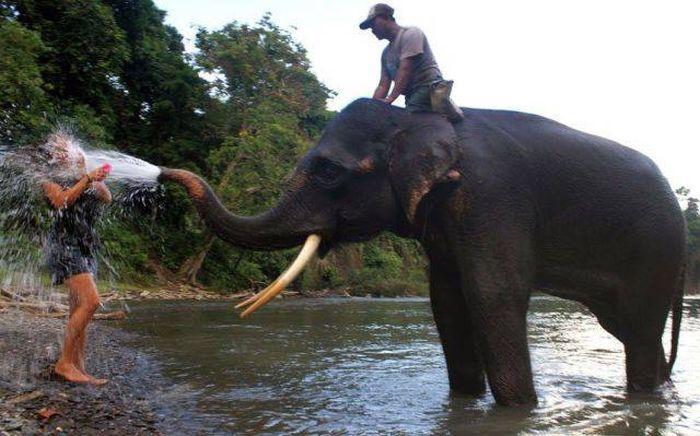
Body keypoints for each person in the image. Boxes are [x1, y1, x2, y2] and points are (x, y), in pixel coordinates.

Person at [41, 133, 112, 385]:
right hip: (63, 247)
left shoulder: (82, 176)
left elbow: (106, 197)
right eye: (60, 149)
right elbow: (62, 201)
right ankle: (64, 364)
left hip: (84, 247)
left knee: (78, 308)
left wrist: (89, 174)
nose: (66, 152)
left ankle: (77, 367)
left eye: (67, 148)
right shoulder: (48, 179)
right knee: (91, 302)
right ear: (52, 155)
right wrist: (86, 178)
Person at [360, 3, 445, 113]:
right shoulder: (386, 54)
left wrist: (390, 99)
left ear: (387, 18)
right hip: (411, 94)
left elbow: (405, 70)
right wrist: (373, 108)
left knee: (412, 117)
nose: (372, 30)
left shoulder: (411, 33)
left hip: (429, 87)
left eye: (373, 23)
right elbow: (383, 85)